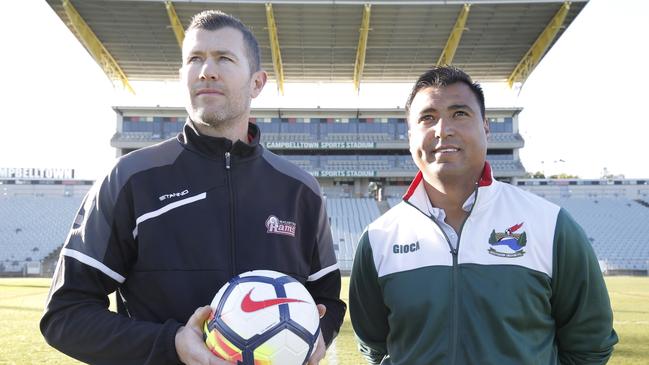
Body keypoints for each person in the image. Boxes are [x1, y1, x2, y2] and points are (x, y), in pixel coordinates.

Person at [40, 10, 345, 365]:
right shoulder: (130, 178)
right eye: (195, 59)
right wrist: (171, 344)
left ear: (257, 83)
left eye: (224, 59)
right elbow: (65, 314)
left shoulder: (300, 190)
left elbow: (328, 299)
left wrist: (317, 335)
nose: (207, 71)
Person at [348, 66, 617, 365]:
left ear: (486, 126)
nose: (442, 129)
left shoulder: (550, 225)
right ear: (411, 135)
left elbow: (590, 343)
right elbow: (374, 347)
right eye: (428, 118)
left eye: (459, 113)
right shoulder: (379, 238)